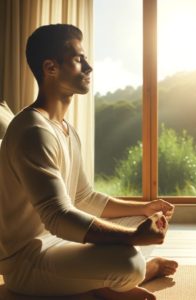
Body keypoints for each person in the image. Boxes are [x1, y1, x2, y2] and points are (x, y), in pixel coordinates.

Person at [0, 24, 178, 299]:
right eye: (78, 59)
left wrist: (144, 208)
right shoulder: (33, 131)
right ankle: (107, 288)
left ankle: (103, 283)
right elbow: (58, 217)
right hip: (28, 263)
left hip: (61, 245)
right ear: (50, 68)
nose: (89, 67)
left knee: (136, 221)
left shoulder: (65, 129)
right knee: (129, 262)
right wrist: (132, 238)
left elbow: (84, 197)